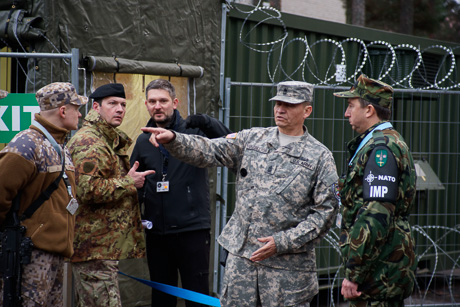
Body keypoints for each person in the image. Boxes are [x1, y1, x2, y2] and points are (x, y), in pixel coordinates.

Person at [142, 81, 339, 307]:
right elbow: (209, 149)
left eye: (289, 105)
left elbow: (325, 214)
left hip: (286, 271)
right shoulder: (252, 139)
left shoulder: (319, 157)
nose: (280, 109)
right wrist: (175, 139)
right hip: (242, 267)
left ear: (307, 110)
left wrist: (283, 241)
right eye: (278, 104)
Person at [130, 79, 232, 306]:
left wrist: (207, 121)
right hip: (157, 234)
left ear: (174, 103)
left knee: (196, 296)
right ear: (146, 105)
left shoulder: (194, 133)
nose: (158, 106)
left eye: (163, 101)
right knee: (162, 297)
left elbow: (231, 142)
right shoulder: (143, 141)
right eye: (152, 101)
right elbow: (135, 182)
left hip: (192, 230)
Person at [68, 83, 155, 306]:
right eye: (113, 104)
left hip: (101, 248)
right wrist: (129, 182)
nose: (120, 109)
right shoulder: (90, 141)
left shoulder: (106, 138)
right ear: (96, 107)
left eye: (123, 105)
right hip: (93, 248)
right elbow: (87, 189)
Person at [334, 74, 417, 307]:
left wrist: (354, 273)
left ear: (369, 110)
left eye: (351, 106)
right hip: (379, 271)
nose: (346, 113)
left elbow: (375, 214)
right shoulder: (377, 143)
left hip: (378, 276)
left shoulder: (382, 148)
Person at [0, 83, 86, 305]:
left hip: (54, 252)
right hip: (31, 255)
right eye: (77, 107)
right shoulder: (26, 144)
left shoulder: (58, 144)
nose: (80, 113)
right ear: (63, 110)